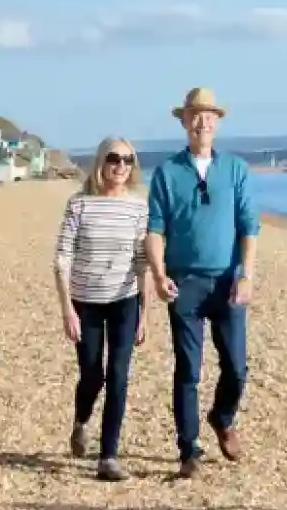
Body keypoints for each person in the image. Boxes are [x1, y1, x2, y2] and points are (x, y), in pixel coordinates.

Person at [144, 86, 259, 478]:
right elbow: (155, 229)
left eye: (209, 115)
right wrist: (159, 276)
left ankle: (223, 417)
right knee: (188, 371)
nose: (201, 121)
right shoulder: (167, 172)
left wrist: (246, 274)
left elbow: (249, 227)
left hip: (227, 283)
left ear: (218, 122)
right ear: (183, 121)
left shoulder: (236, 170)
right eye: (194, 115)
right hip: (185, 283)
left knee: (237, 367)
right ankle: (188, 449)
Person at [53, 136, 152, 481]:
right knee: (92, 374)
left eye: (128, 160)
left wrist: (145, 312)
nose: (121, 166)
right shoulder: (80, 204)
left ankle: (108, 456)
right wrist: (67, 309)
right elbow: (62, 258)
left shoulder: (139, 207)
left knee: (120, 376)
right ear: (101, 162)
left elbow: (142, 263)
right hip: (86, 302)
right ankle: (81, 422)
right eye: (114, 159)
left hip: (125, 301)